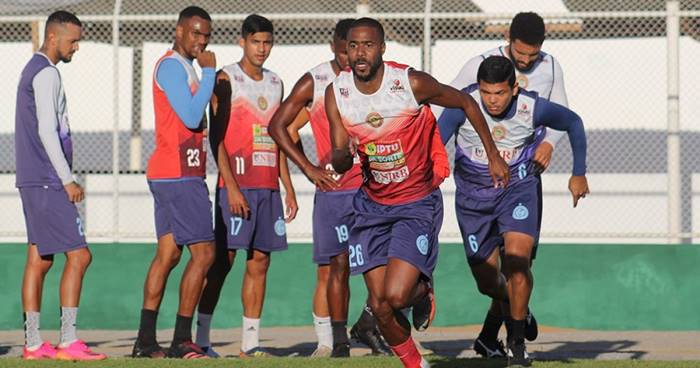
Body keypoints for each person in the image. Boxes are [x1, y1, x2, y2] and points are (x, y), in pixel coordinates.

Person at [326, 18, 509, 368]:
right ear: (344, 49)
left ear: (382, 48)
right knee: (378, 307)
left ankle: (423, 290)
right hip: (372, 206)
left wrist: (493, 155)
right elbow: (337, 157)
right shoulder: (337, 93)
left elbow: (467, 103)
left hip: (416, 203)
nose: (359, 53)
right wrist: (343, 153)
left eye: (367, 45)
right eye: (353, 46)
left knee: (396, 295)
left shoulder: (409, 83)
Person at [438, 55, 589, 367]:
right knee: (487, 281)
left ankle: (517, 345)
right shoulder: (462, 106)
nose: (492, 101)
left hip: (517, 190)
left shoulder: (532, 108)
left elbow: (573, 122)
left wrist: (578, 173)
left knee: (518, 264)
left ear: (515, 88)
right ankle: (518, 304)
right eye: (486, 93)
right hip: (473, 198)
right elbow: (435, 144)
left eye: (500, 93)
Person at [268, 18, 390, 357]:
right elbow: (282, 128)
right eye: (346, 49)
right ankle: (335, 343)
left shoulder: (379, 80)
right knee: (335, 267)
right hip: (335, 193)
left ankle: (371, 325)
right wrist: (307, 168)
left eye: (361, 48)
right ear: (337, 46)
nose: (353, 57)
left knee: (382, 266)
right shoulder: (318, 80)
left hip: (373, 191)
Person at [193, 14, 298, 358]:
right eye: (256, 42)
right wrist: (231, 187)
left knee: (260, 261)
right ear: (242, 42)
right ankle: (202, 339)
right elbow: (216, 138)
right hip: (235, 185)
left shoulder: (276, 82)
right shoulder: (227, 78)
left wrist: (288, 186)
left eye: (267, 42)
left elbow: (279, 138)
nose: (262, 49)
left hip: (267, 186)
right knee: (223, 261)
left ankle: (250, 344)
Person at [15, 10, 106, 361]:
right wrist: (67, 179)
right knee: (80, 255)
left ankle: (34, 343)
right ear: (53, 37)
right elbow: (46, 130)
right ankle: (68, 340)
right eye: (73, 40)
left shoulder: (31, 69)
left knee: (39, 259)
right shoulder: (46, 73)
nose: (77, 47)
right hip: (48, 180)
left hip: (33, 178)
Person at [132, 6, 216, 359]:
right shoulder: (170, 66)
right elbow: (192, 114)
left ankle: (145, 341)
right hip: (178, 175)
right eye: (195, 33)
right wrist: (210, 72)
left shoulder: (185, 69)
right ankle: (182, 340)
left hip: (176, 173)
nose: (201, 41)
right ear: (179, 31)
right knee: (205, 253)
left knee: (167, 255)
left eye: (206, 36)